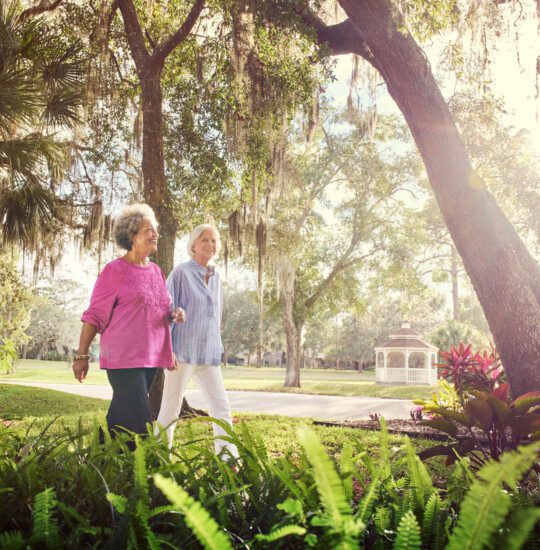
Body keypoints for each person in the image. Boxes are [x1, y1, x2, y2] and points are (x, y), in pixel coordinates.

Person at [73, 203, 185, 449]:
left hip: (150, 359)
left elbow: (158, 311)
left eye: (155, 229)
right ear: (132, 236)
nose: (155, 234)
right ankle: (148, 479)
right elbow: (94, 315)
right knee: (140, 425)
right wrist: (81, 354)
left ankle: (98, 463)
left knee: (120, 417)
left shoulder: (156, 272)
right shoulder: (115, 271)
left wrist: (173, 314)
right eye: (149, 230)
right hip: (124, 359)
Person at [156, 224, 239, 461]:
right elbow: (166, 308)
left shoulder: (216, 277)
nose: (210, 245)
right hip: (182, 353)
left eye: (214, 241)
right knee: (170, 410)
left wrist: (218, 345)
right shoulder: (181, 272)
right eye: (205, 240)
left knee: (221, 408)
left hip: (208, 354)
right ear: (193, 244)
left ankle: (228, 461)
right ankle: (159, 460)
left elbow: (217, 315)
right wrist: (175, 314)